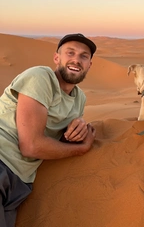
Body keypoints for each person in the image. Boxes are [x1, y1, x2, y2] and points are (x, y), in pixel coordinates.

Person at [0, 33, 97, 227]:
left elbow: (58, 140)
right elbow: (31, 146)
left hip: (20, 183)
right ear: (56, 58)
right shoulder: (40, 77)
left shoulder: (80, 99)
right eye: (70, 53)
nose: (76, 60)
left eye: (84, 56)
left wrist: (78, 130)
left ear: (89, 65)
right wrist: (81, 148)